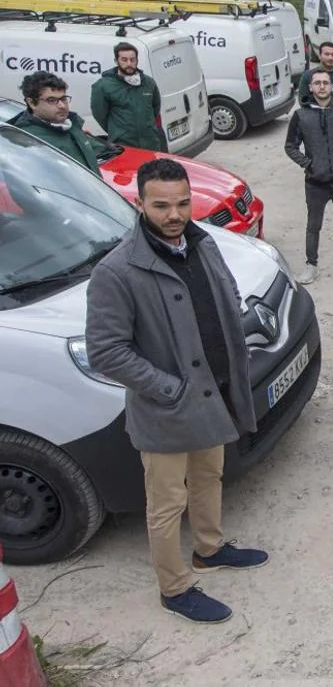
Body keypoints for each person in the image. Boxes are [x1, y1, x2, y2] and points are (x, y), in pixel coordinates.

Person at [85, 158, 267, 625]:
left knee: (208, 478)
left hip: (214, 396)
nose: (175, 215)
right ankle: (175, 586)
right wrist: (168, 388)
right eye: (162, 205)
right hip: (167, 409)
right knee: (166, 505)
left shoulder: (202, 245)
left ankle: (210, 548)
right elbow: (106, 351)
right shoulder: (117, 270)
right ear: (140, 203)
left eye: (183, 203)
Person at [284, 68, 333, 285]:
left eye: (325, 83)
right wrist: (308, 164)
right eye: (317, 83)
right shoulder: (301, 116)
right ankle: (311, 265)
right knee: (313, 225)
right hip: (315, 183)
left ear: (332, 86)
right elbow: (290, 146)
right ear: (310, 87)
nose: (321, 87)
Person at [12, 71, 101, 176]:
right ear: (32, 103)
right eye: (52, 100)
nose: (62, 105)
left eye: (63, 98)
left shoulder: (71, 125)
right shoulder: (28, 140)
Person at [90, 42, 165, 151]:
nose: (129, 63)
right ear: (116, 61)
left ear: (137, 60)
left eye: (132, 60)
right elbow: (100, 115)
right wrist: (118, 132)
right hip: (123, 146)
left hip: (150, 144)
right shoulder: (103, 86)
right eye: (124, 60)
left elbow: (155, 108)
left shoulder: (148, 82)